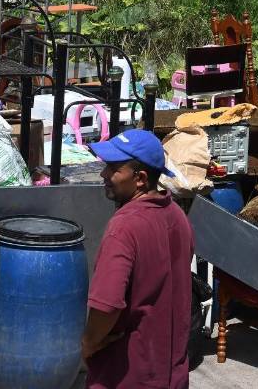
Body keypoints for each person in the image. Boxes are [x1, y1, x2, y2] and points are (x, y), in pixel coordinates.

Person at [82, 129, 193, 388]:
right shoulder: (178, 216)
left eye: (113, 169)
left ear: (140, 178)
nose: (104, 175)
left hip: (128, 375)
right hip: (172, 372)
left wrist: (88, 342)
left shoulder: (124, 227)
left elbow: (106, 305)